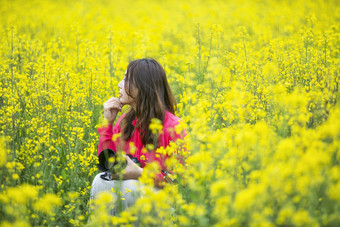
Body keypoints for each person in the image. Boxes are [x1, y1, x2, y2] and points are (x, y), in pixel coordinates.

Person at [90, 58, 185, 215]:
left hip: (162, 203)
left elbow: (181, 182)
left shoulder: (173, 127)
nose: (120, 84)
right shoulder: (124, 122)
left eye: (126, 79)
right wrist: (108, 123)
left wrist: (141, 173)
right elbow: (108, 162)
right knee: (99, 181)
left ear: (142, 87)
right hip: (130, 197)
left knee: (132, 188)